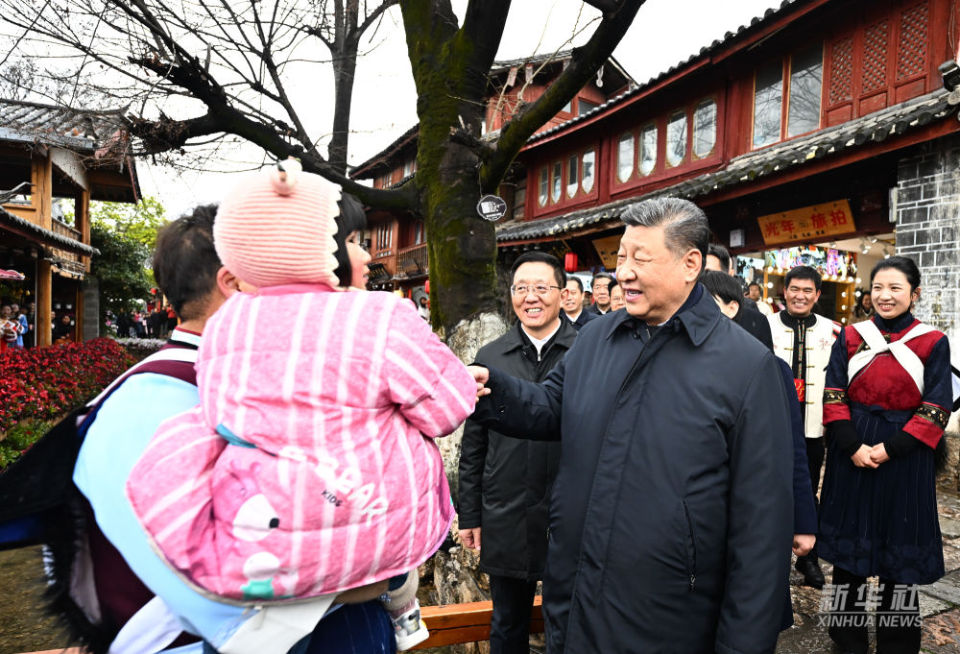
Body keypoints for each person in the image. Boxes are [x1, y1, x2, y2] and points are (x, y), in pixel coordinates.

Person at [127, 160, 476, 651]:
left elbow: (227, 417)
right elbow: (448, 409)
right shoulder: (379, 316)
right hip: (353, 580)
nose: (366, 256)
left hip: (263, 566)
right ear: (320, 246)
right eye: (354, 241)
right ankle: (405, 614)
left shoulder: (226, 325)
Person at [469, 198, 793, 653]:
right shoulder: (599, 336)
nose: (623, 272)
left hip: (670, 618)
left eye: (641, 258)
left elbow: (762, 532)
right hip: (576, 596)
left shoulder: (746, 367)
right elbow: (551, 405)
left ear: (690, 264)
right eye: (621, 257)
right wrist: (491, 389)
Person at [73, 205, 399, 654]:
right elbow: (219, 581)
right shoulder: (152, 402)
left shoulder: (240, 380)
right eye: (281, 270)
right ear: (235, 282)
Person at [820, 256, 951, 654]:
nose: (885, 296)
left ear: (915, 293)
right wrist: (853, 445)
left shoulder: (933, 341)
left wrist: (890, 448)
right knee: (849, 554)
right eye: (878, 288)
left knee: (901, 552)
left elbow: (936, 406)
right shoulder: (850, 336)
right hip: (852, 451)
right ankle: (847, 637)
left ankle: (898, 642)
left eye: (895, 288)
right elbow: (833, 394)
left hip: (906, 456)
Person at [458, 252, 577, 654]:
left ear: (562, 293)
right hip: (506, 508)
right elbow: (473, 443)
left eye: (542, 288)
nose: (531, 297)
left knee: (572, 620)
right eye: (521, 288)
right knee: (507, 623)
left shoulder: (586, 351)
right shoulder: (491, 357)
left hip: (569, 512)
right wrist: (470, 514)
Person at [700, 269, 817, 631]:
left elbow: (793, 452)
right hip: (697, 516)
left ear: (733, 308)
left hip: (753, 510)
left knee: (749, 613)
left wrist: (803, 521)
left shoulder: (770, 369)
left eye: (707, 304)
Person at [767, 264, 839, 589]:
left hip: (813, 427)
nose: (800, 295)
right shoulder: (764, 327)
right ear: (785, 291)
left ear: (817, 295)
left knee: (809, 489)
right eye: (794, 289)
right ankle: (770, 554)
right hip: (770, 426)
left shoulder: (833, 331)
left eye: (807, 290)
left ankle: (808, 559)